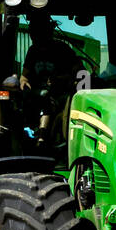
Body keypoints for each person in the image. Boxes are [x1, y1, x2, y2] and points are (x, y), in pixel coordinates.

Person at [19, 15, 84, 149]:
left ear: (48, 32)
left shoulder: (63, 50)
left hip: (61, 96)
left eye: (38, 33)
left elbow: (81, 72)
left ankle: (43, 140)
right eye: (33, 34)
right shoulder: (33, 51)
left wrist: (61, 79)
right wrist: (24, 84)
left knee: (48, 102)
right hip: (38, 94)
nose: (34, 38)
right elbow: (24, 76)